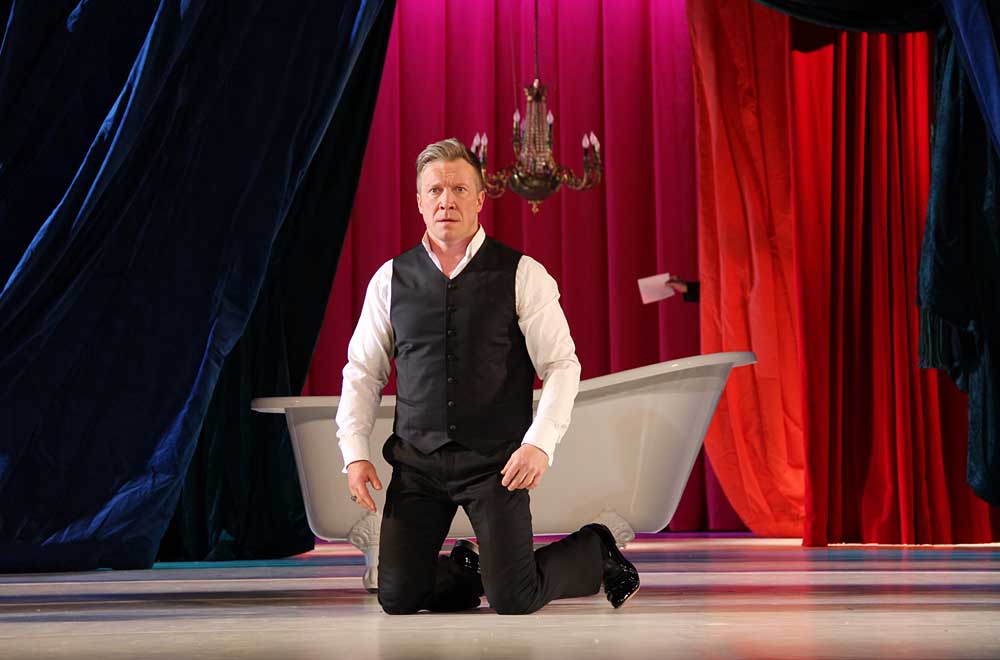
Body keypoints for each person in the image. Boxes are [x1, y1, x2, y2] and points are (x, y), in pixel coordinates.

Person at [335, 138, 639, 615]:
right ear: (419, 201)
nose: (446, 201)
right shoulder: (389, 280)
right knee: (397, 598)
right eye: (435, 190)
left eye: (459, 189)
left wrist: (539, 443)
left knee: (515, 598)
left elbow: (562, 365)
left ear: (480, 199)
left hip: (495, 464)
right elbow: (363, 371)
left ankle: (594, 548)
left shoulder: (523, 274)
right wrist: (354, 453)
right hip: (418, 466)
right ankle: (471, 572)